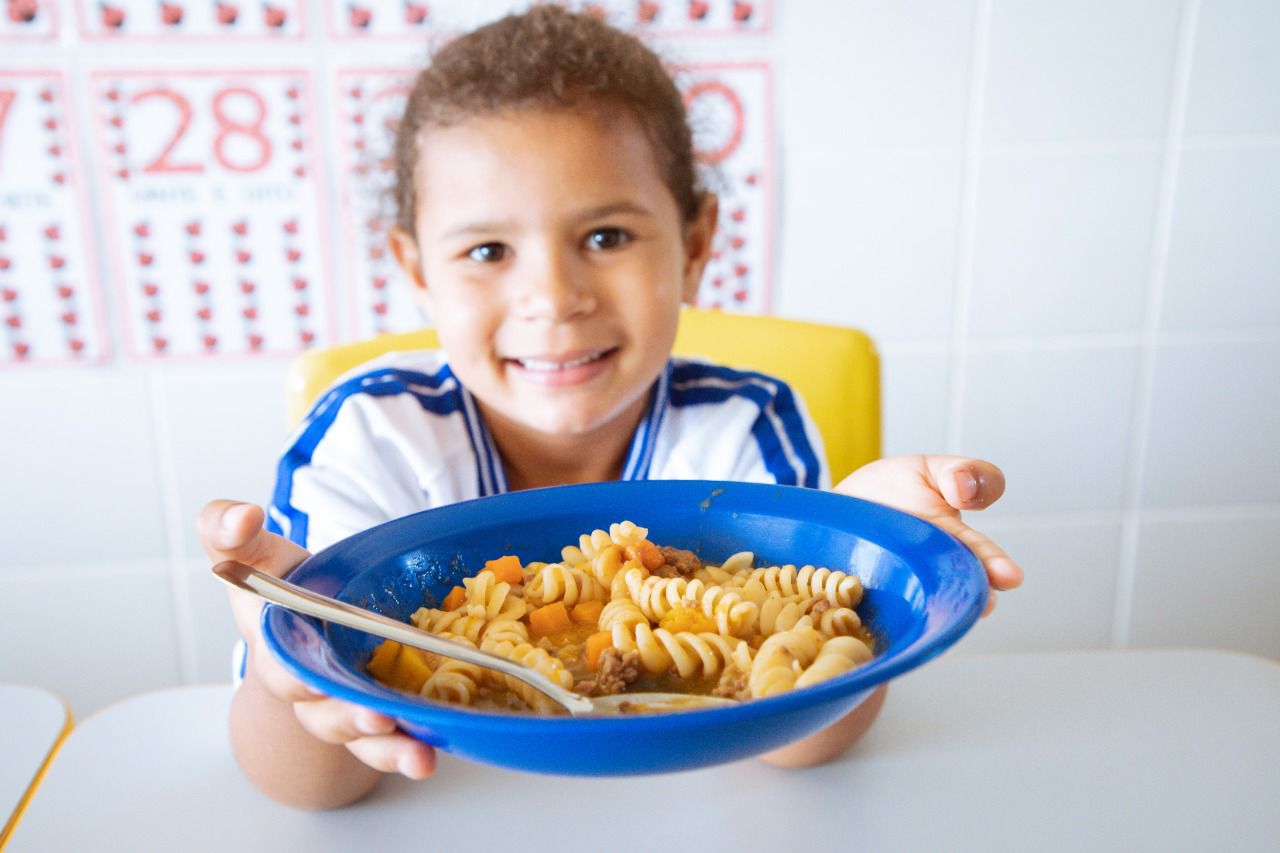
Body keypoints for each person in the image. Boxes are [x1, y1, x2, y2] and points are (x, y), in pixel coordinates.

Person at [199, 6, 1023, 810]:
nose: (553, 299)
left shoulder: (747, 425)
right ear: (418, 272)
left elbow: (800, 740)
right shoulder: (372, 435)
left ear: (695, 244)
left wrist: (860, 563)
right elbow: (307, 787)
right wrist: (287, 677)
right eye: (487, 250)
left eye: (606, 238)